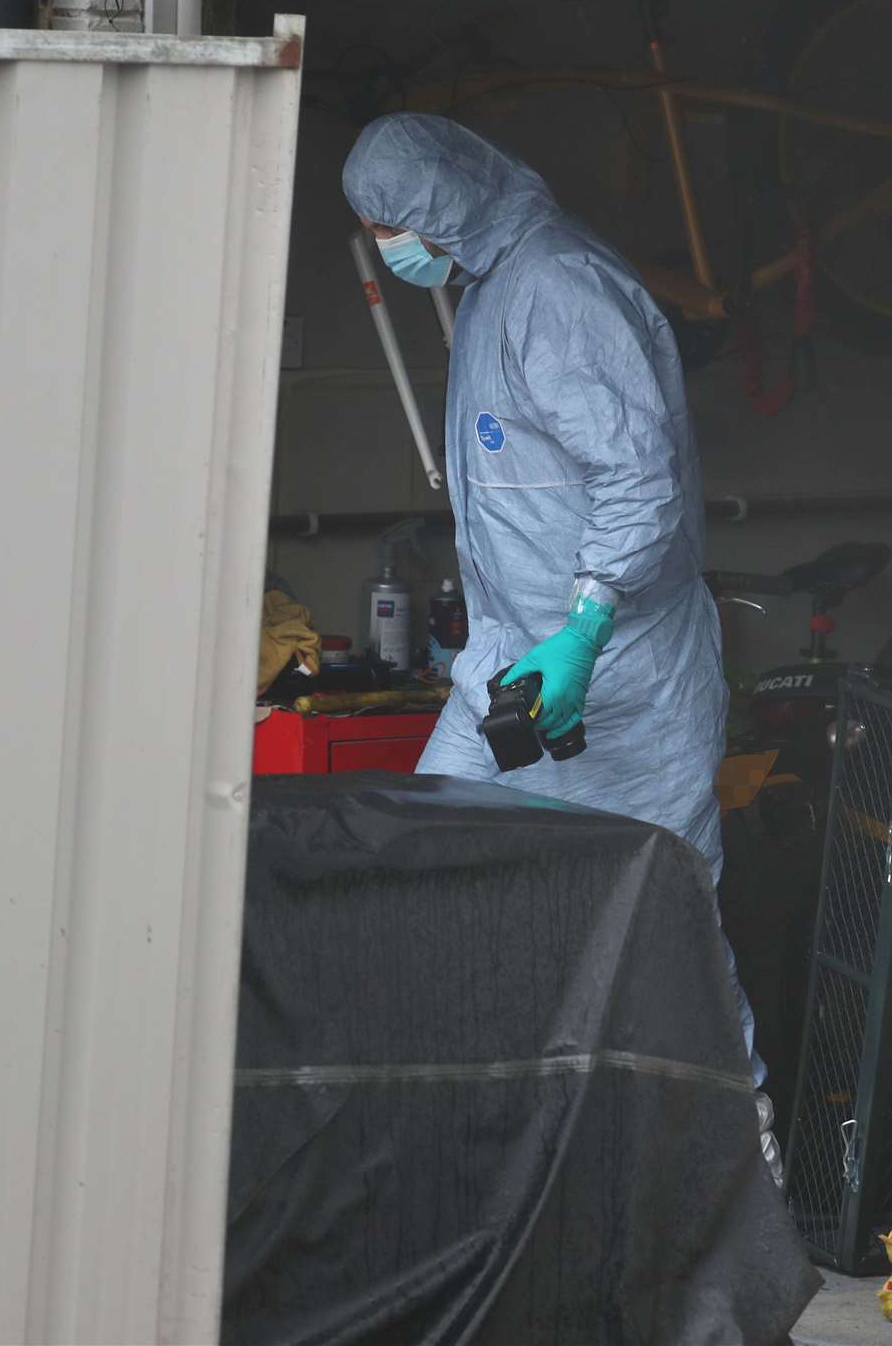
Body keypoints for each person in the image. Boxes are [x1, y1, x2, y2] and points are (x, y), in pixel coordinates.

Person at [343, 114, 766, 1104]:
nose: (388, 247)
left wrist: (585, 626)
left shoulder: (559, 290)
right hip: (515, 667)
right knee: (427, 882)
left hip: (618, 674)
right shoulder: (495, 288)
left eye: (392, 225)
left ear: (440, 208)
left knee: (663, 943)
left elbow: (637, 478)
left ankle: (744, 1180)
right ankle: (487, 1158)